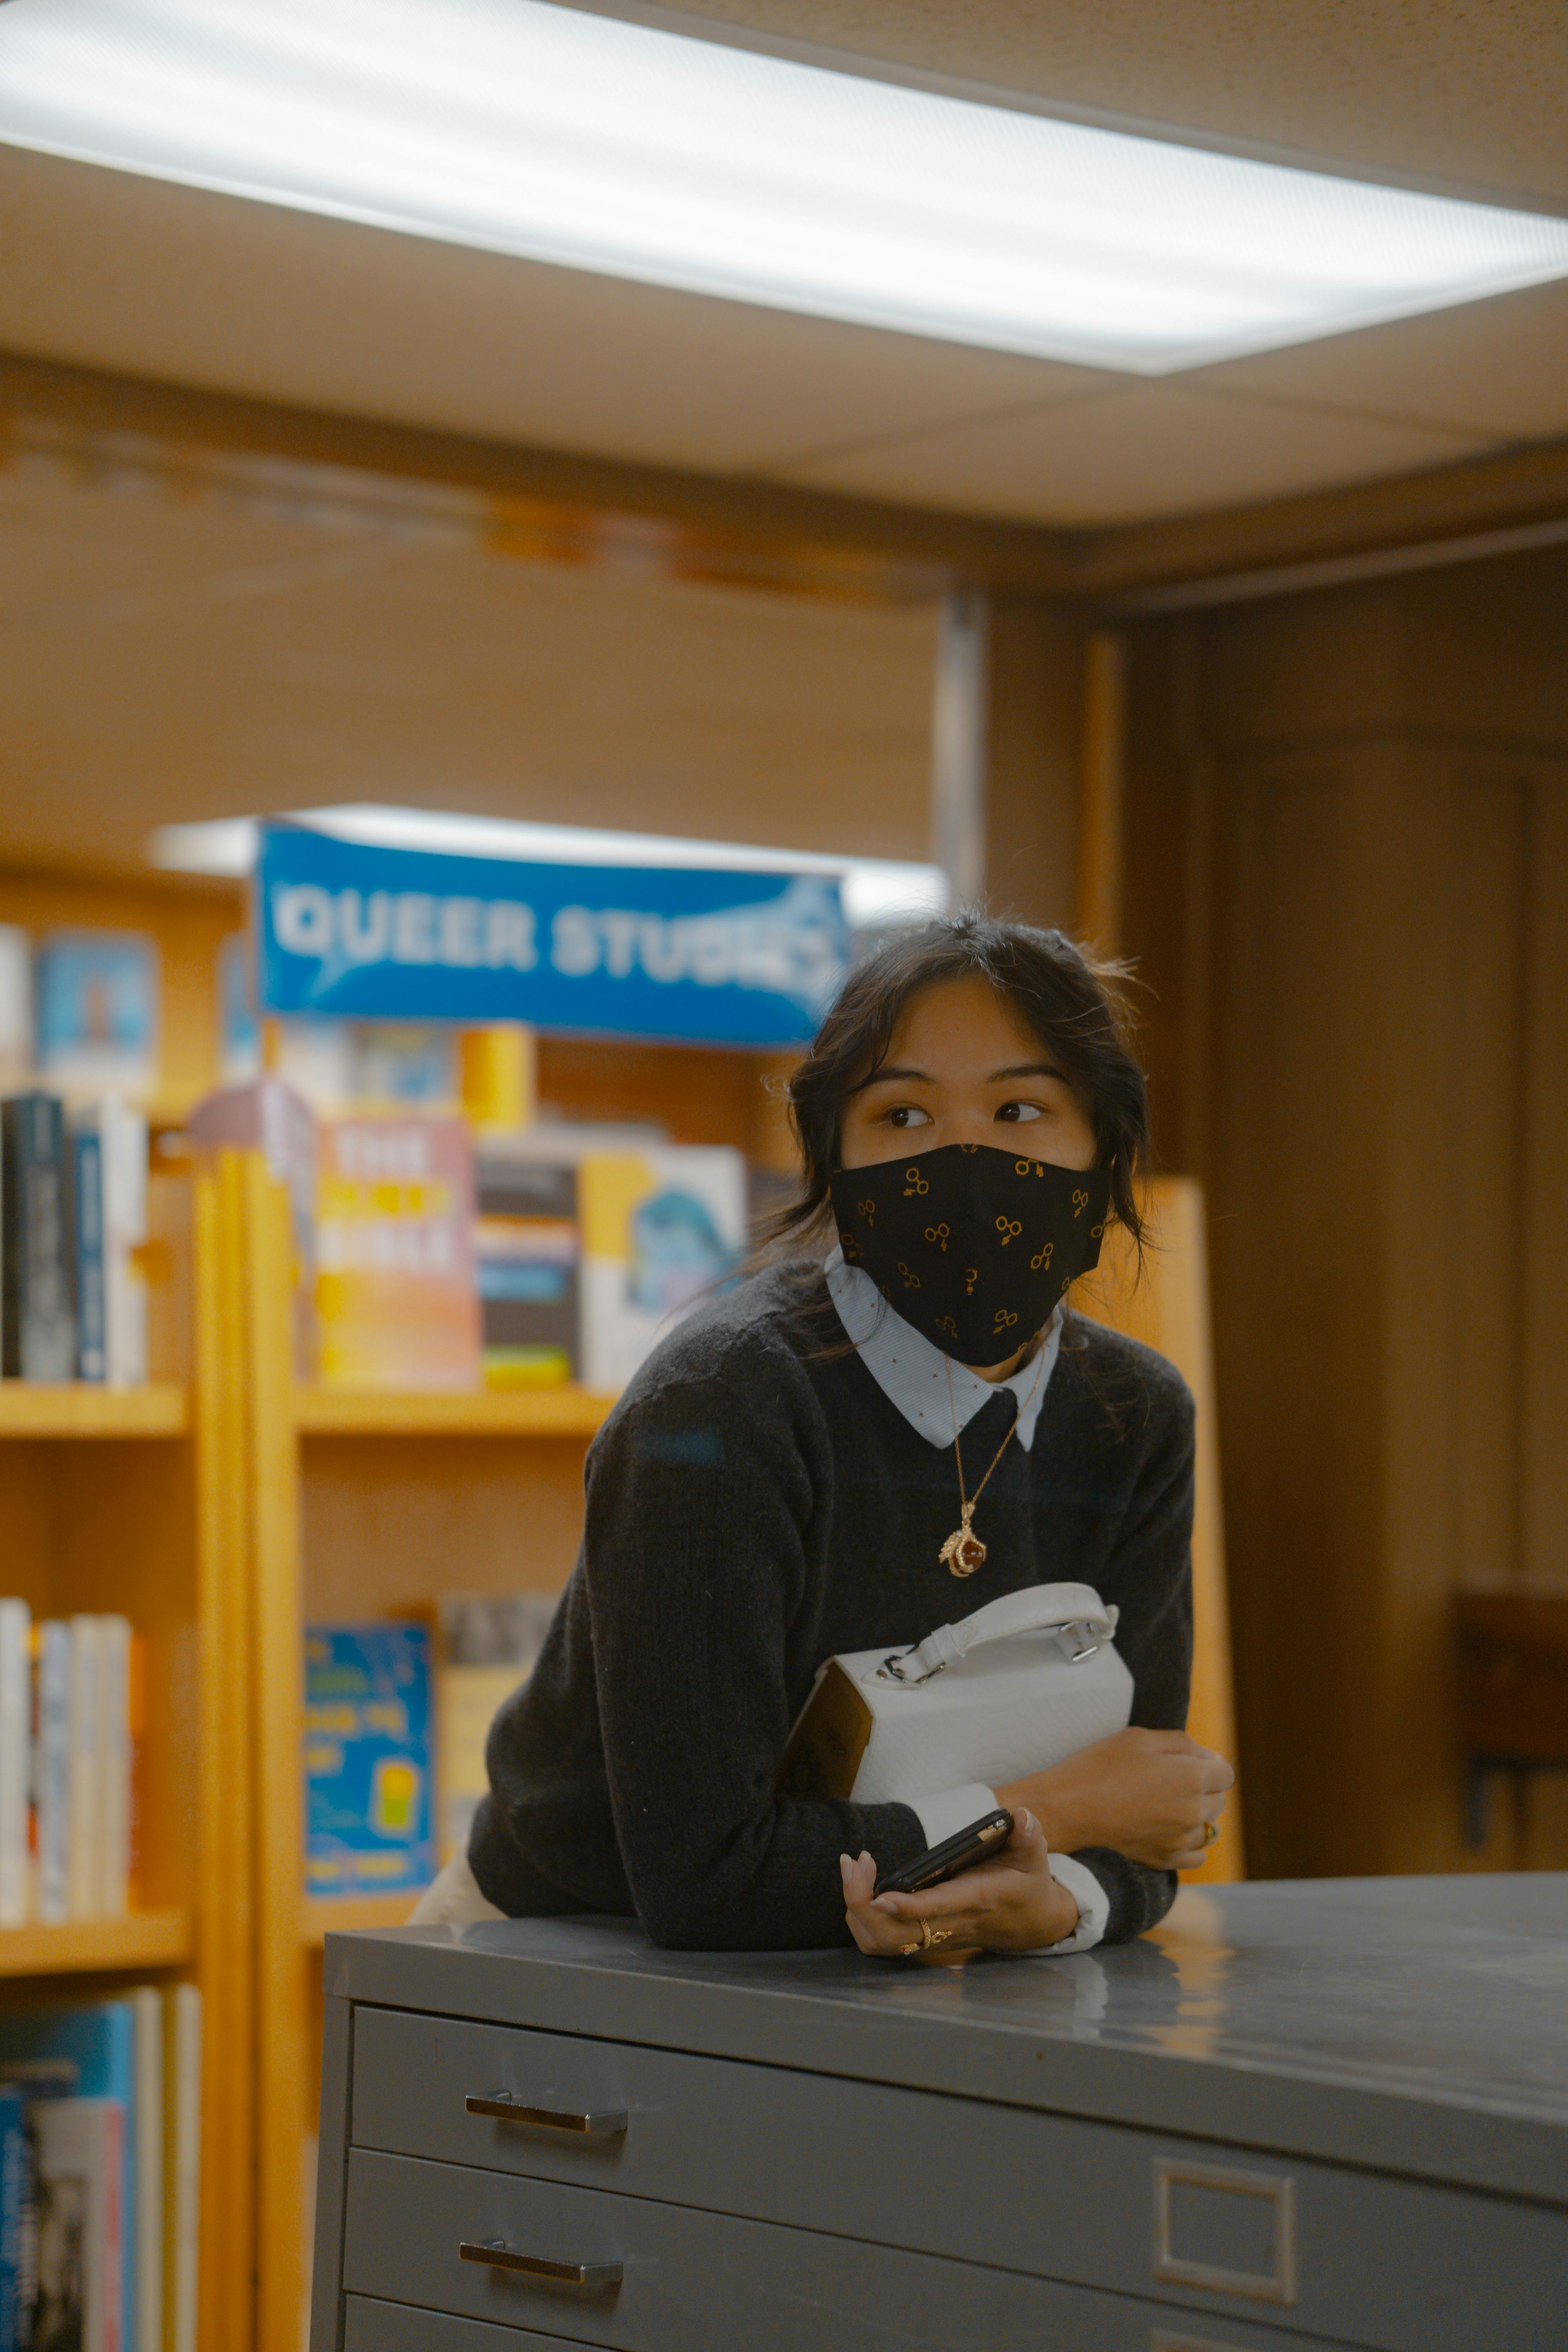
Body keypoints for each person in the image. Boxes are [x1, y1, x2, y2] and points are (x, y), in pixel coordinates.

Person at [415, 913, 1234, 1959]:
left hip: (912, 1960)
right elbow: (706, 1879)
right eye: (902, 1116)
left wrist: (1060, 1897)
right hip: (565, 1955)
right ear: (834, 1160)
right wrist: (1052, 1815)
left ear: (1107, 1149)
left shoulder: (1135, 1420)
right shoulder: (721, 1405)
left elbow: (1149, 1818)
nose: (964, 1162)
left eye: (1021, 1109)